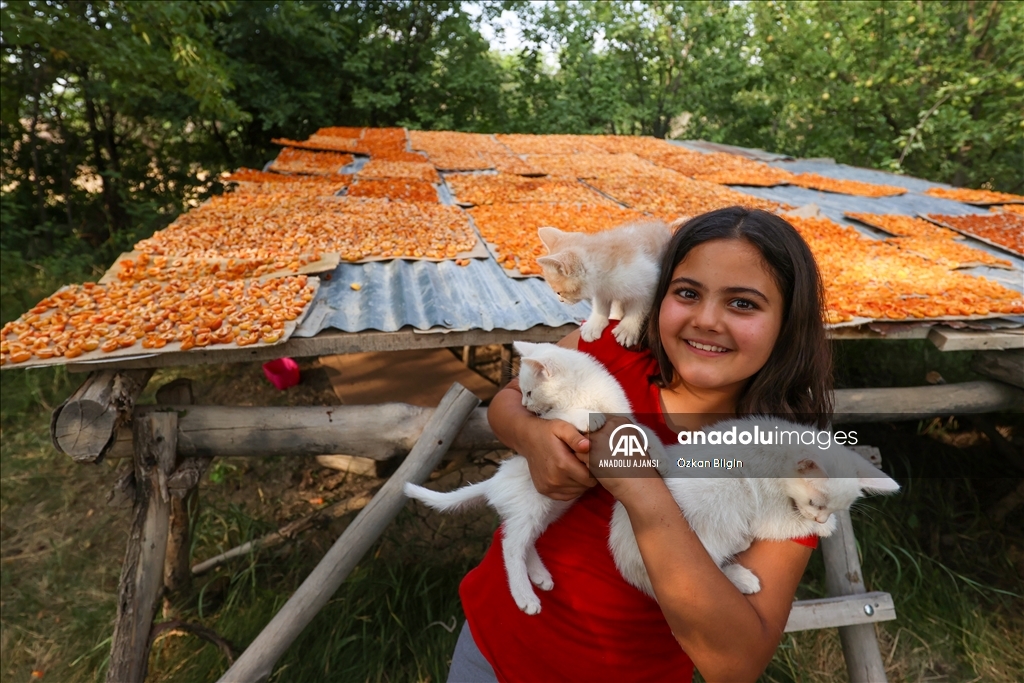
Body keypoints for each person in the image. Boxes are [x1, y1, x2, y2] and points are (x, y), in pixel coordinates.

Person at [448, 207, 834, 683]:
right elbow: (509, 399)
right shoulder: (609, 350)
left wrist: (641, 488)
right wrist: (532, 437)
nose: (706, 320)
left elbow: (735, 665)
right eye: (687, 293)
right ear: (658, 291)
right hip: (490, 646)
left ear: (789, 322)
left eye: (743, 303)